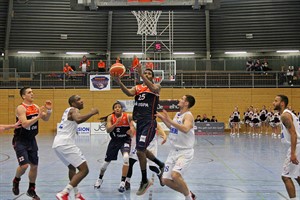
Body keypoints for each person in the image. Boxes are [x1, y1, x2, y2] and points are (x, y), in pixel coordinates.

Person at [112, 65, 165, 195]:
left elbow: (153, 87)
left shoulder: (156, 87)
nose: (146, 74)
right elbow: (128, 93)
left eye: (148, 73)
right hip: (139, 123)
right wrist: (119, 82)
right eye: (145, 73)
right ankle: (160, 164)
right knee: (142, 150)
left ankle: (144, 180)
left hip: (149, 122)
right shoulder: (138, 88)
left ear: (152, 77)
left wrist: (141, 74)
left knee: (140, 150)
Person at [54, 95, 99, 200]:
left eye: (81, 98)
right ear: (73, 103)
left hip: (57, 144)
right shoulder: (74, 110)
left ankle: (77, 195)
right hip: (65, 143)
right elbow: (78, 119)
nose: (82, 101)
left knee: (72, 168)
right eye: (78, 99)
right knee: (84, 170)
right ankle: (64, 193)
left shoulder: (67, 111)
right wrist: (92, 112)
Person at [12, 87, 52, 200]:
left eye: (32, 92)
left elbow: (46, 119)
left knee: (34, 166)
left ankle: (31, 189)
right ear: (24, 96)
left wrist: (48, 111)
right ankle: (16, 180)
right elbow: (24, 124)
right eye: (29, 92)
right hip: (20, 140)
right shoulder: (21, 108)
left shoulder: (36, 107)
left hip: (31, 140)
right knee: (24, 165)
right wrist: (37, 117)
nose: (32, 94)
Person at [156, 95, 197, 200]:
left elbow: (185, 129)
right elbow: (173, 127)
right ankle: (189, 193)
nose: (179, 100)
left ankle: (188, 198)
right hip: (173, 152)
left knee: (175, 175)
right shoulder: (178, 114)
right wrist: (164, 119)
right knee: (165, 180)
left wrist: (169, 120)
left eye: (182, 99)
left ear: (186, 103)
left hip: (184, 152)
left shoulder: (188, 116)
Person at [94, 102, 134, 193]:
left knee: (126, 157)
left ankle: (122, 182)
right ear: (113, 110)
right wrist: (115, 123)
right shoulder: (110, 117)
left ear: (122, 109)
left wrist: (131, 130)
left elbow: (134, 125)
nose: (117, 108)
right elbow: (108, 130)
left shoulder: (128, 116)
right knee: (105, 164)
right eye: (115, 107)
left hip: (125, 141)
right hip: (114, 141)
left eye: (119, 107)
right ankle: (100, 179)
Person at [125, 123, 167, 190]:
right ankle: (127, 181)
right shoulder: (136, 119)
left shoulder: (152, 120)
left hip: (151, 144)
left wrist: (164, 135)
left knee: (152, 167)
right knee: (131, 161)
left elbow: (159, 128)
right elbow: (132, 132)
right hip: (139, 143)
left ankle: (159, 173)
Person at [273, 95, 300, 200]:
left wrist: (293, 154)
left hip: (297, 145)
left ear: (282, 103)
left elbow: (293, 134)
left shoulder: (285, 116)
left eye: (276, 101)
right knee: (298, 176)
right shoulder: (288, 114)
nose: (273, 103)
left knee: (285, 176)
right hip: (298, 145)